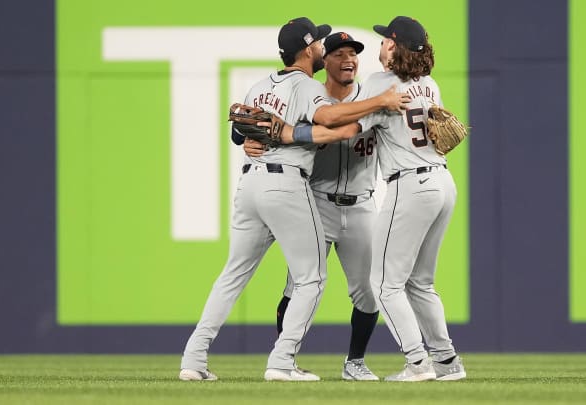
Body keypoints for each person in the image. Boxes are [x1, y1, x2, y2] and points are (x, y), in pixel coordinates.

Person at [180, 17, 407, 383]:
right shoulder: (306, 86)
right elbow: (327, 116)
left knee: (233, 275)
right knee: (311, 279)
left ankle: (193, 358)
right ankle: (283, 362)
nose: (325, 48)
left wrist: (249, 139)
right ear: (310, 51)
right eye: (323, 45)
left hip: (253, 186)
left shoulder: (259, 85)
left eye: (352, 53)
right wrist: (377, 105)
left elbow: (244, 123)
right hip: (291, 187)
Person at [242, 32, 382, 381]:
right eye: (338, 53)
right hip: (316, 202)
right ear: (324, 60)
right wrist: (249, 141)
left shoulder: (370, 99)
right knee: (298, 286)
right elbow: (271, 130)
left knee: (368, 291)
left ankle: (355, 362)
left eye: (353, 53)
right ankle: (284, 359)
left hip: (362, 205)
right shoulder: (306, 96)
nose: (348, 59)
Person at [356, 16, 467, 382]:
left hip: (410, 186)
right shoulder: (429, 84)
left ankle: (418, 363)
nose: (381, 44)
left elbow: (354, 130)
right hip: (442, 182)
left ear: (394, 44)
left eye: (386, 39)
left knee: (384, 284)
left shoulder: (379, 83)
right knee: (421, 283)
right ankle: (448, 362)